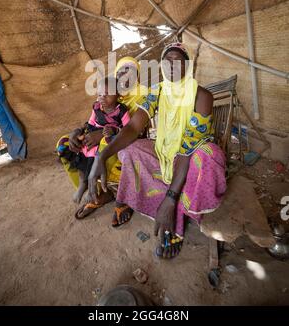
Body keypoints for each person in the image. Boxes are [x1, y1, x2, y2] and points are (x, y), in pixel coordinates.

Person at [87, 43, 227, 258]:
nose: (171, 65)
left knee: (209, 155)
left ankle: (176, 211)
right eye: (166, 60)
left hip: (189, 157)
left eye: (177, 60)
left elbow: (186, 149)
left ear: (188, 66)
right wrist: (102, 155)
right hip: (166, 151)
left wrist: (170, 199)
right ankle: (148, 201)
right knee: (130, 149)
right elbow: (133, 127)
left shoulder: (202, 96)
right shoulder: (158, 90)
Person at [56, 56, 148, 216]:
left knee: (105, 142)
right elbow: (93, 120)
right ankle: (95, 192)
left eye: (131, 72)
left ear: (138, 77)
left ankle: (122, 195)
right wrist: (78, 131)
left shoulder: (143, 96)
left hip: (126, 142)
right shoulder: (106, 95)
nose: (125, 76)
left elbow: (138, 131)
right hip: (100, 137)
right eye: (121, 72)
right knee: (63, 143)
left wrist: (104, 134)